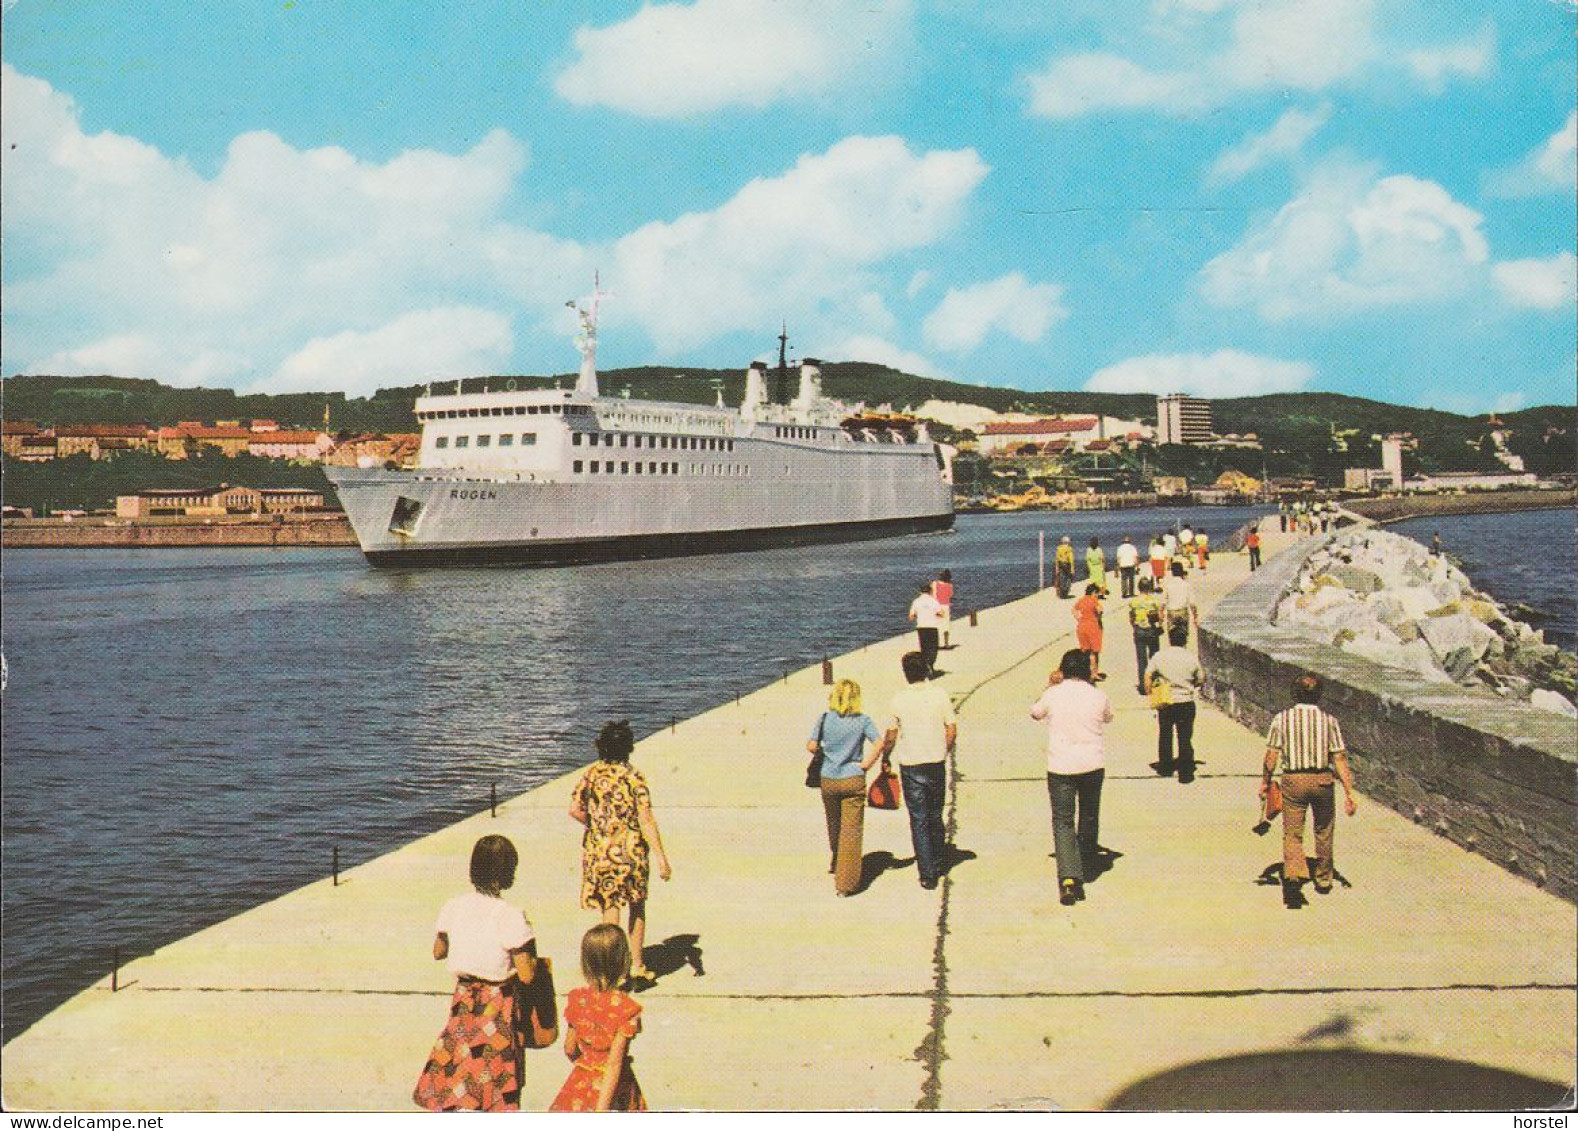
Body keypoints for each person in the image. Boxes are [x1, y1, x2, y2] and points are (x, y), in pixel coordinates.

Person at [413, 835, 539, 1112]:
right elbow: (528, 975)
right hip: (497, 1007)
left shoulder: (453, 906)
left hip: (463, 1002)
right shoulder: (510, 915)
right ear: (508, 873)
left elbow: (438, 951)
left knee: (460, 1074)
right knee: (494, 1079)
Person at [569, 721, 672, 985]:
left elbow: (575, 809)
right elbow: (646, 818)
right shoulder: (634, 776)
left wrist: (597, 827)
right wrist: (662, 858)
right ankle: (637, 964)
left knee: (609, 908)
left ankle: (613, 971)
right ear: (628, 748)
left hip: (600, 852)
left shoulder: (591, 775)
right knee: (637, 905)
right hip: (631, 851)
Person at [1260, 675, 1358, 909]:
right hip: (1323, 779)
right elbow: (1340, 757)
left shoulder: (1281, 719)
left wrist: (1265, 781)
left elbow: (1271, 756)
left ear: (1294, 694)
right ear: (1319, 695)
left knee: (1293, 832)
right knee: (1324, 829)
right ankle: (1324, 879)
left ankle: (1293, 876)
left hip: (1293, 780)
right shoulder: (1329, 721)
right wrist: (1349, 792)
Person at [1029, 649, 1113, 906]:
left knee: (1063, 821)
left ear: (1063, 669)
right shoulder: (1098, 695)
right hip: (1092, 764)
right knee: (1088, 815)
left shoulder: (1053, 694)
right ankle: (1086, 863)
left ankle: (1068, 878)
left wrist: (1049, 684)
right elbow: (1108, 717)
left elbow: (1035, 712)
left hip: (1061, 767)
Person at [550, 924, 647, 1112]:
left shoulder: (578, 999)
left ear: (586, 962)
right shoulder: (626, 1009)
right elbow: (614, 1064)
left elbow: (570, 1048)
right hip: (614, 1090)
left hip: (582, 1079)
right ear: (623, 962)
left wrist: (587, 1064)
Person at [881, 651, 957, 890]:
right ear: (926, 670)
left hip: (911, 764)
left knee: (919, 818)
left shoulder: (898, 699)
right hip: (935, 761)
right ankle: (938, 858)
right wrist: (944, 750)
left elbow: (891, 734)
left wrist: (886, 757)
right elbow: (952, 728)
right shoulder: (940, 695)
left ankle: (927, 872)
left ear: (905, 673)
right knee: (935, 814)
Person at [809, 679, 885, 896]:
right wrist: (866, 764)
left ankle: (836, 859)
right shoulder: (863, 720)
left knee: (834, 825)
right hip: (853, 777)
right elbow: (879, 743)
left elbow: (811, 745)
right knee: (851, 832)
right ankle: (846, 884)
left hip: (828, 779)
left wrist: (827, 752)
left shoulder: (824, 719)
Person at [1144, 625, 1203, 783]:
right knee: (1184, 736)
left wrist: (1150, 693)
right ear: (1185, 640)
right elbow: (1200, 679)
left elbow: (1148, 675)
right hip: (1185, 701)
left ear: (1170, 639)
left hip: (1166, 700)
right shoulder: (1191, 657)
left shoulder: (1159, 656)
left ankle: (1165, 767)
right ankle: (1185, 772)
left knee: (1165, 734)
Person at [1128, 576, 1164, 694]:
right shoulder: (1154, 601)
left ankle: (1143, 686)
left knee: (1141, 659)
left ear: (1138, 588)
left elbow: (1131, 617)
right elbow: (1160, 616)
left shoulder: (1134, 601)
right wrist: (1160, 624)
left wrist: (1135, 625)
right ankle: (1154, 682)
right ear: (1149, 587)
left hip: (1139, 631)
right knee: (1154, 657)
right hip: (1151, 631)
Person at [908, 581, 944, 675]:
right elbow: (941, 614)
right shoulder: (933, 601)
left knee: (924, 648)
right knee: (933, 648)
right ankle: (931, 666)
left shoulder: (916, 601)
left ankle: (926, 668)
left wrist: (918, 614)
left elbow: (911, 617)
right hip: (932, 626)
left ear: (920, 592)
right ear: (930, 591)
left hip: (921, 627)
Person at [1072, 583, 1105, 682]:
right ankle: (1094, 673)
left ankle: (1084, 672)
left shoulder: (1081, 600)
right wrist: (1098, 617)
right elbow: (1100, 610)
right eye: (1097, 593)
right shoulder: (1093, 600)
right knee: (1094, 652)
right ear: (1093, 592)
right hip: (1093, 627)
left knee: (1085, 651)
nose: (1097, 596)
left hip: (1081, 627)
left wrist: (1078, 618)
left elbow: (1073, 609)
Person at [1162, 561, 1198, 646]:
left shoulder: (1168, 585)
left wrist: (1161, 615)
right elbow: (1192, 603)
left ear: (1172, 572)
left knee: (1172, 637)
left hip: (1171, 613)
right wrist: (1195, 617)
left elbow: (1163, 602)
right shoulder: (1186, 585)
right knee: (1183, 637)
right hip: (1183, 613)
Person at [932, 569, 954, 649]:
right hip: (946, 606)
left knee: (936, 625)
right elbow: (950, 595)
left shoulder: (935, 583)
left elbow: (934, 595)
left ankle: (935, 644)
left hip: (937, 605)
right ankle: (946, 643)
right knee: (946, 625)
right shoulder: (950, 585)